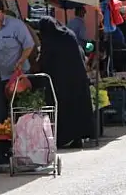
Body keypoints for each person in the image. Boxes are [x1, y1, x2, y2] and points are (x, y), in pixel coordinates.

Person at [38, 16, 94, 148]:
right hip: (77, 78)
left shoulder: (50, 39)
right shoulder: (69, 34)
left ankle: (62, 138)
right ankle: (77, 138)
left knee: (62, 109)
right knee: (76, 108)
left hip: (60, 82)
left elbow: (45, 62)